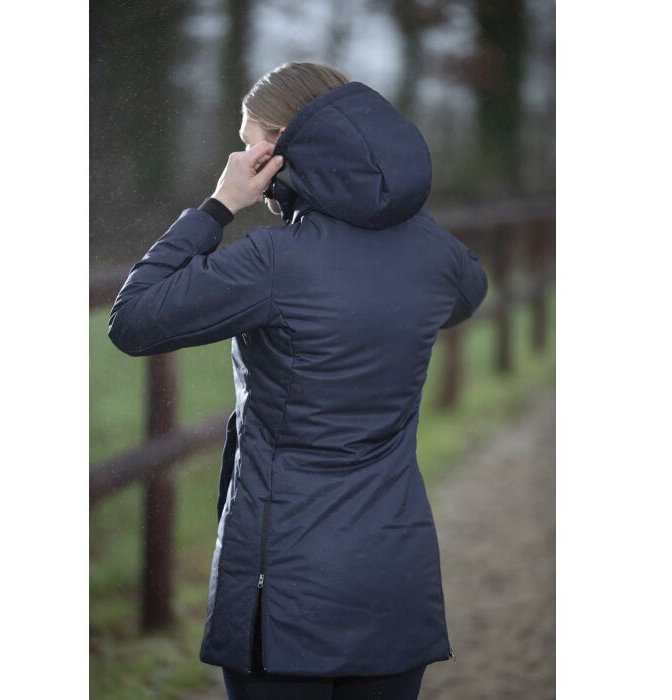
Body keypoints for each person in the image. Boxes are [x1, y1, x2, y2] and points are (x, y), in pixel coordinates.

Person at [108, 61, 488, 700]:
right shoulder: (436, 256)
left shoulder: (274, 262)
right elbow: (468, 292)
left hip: (285, 591)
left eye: (248, 140)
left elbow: (134, 320)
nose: (238, 155)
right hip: (397, 577)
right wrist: (392, 211)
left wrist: (218, 206)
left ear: (280, 148)